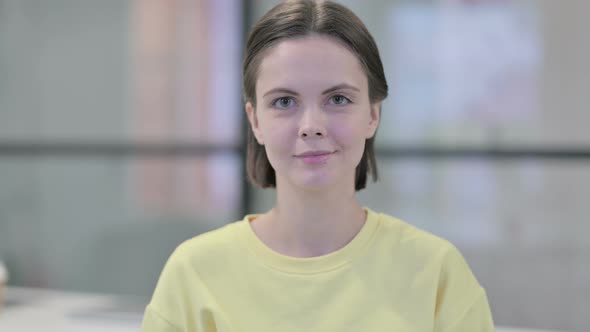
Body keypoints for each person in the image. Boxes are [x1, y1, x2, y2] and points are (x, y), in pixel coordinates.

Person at [141, 1, 495, 331]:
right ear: (256, 122)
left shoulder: (436, 273)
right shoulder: (194, 272)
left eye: (338, 98)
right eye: (284, 101)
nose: (311, 125)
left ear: (373, 114)